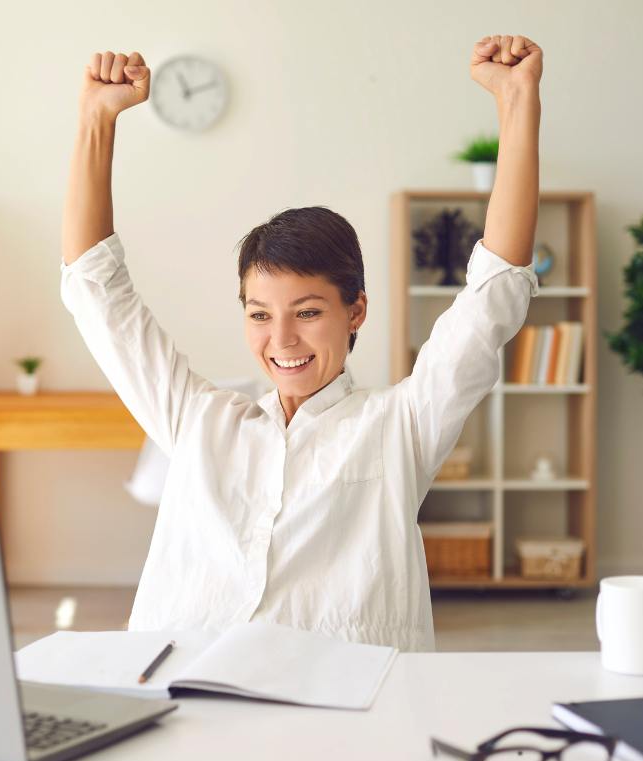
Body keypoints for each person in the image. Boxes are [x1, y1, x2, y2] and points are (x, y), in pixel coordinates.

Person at [61, 37, 542, 651]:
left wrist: (518, 99)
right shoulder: (198, 420)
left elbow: (495, 292)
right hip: (183, 704)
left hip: (347, 719)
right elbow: (95, 290)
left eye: (308, 312)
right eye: (260, 314)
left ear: (355, 311)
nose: (281, 339)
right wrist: (96, 119)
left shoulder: (401, 425)